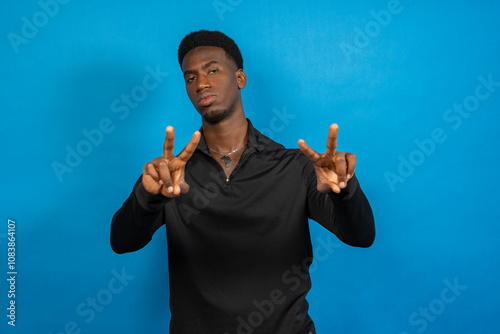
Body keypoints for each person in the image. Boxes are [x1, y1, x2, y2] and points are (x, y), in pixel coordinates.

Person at [111, 30, 375, 334]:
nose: (202, 83)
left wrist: (345, 192)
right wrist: (148, 196)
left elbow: (361, 236)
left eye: (212, 70)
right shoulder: (171, 174)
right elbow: (122, 242)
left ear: (240, 79)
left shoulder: (294, 167)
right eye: (190, 77)